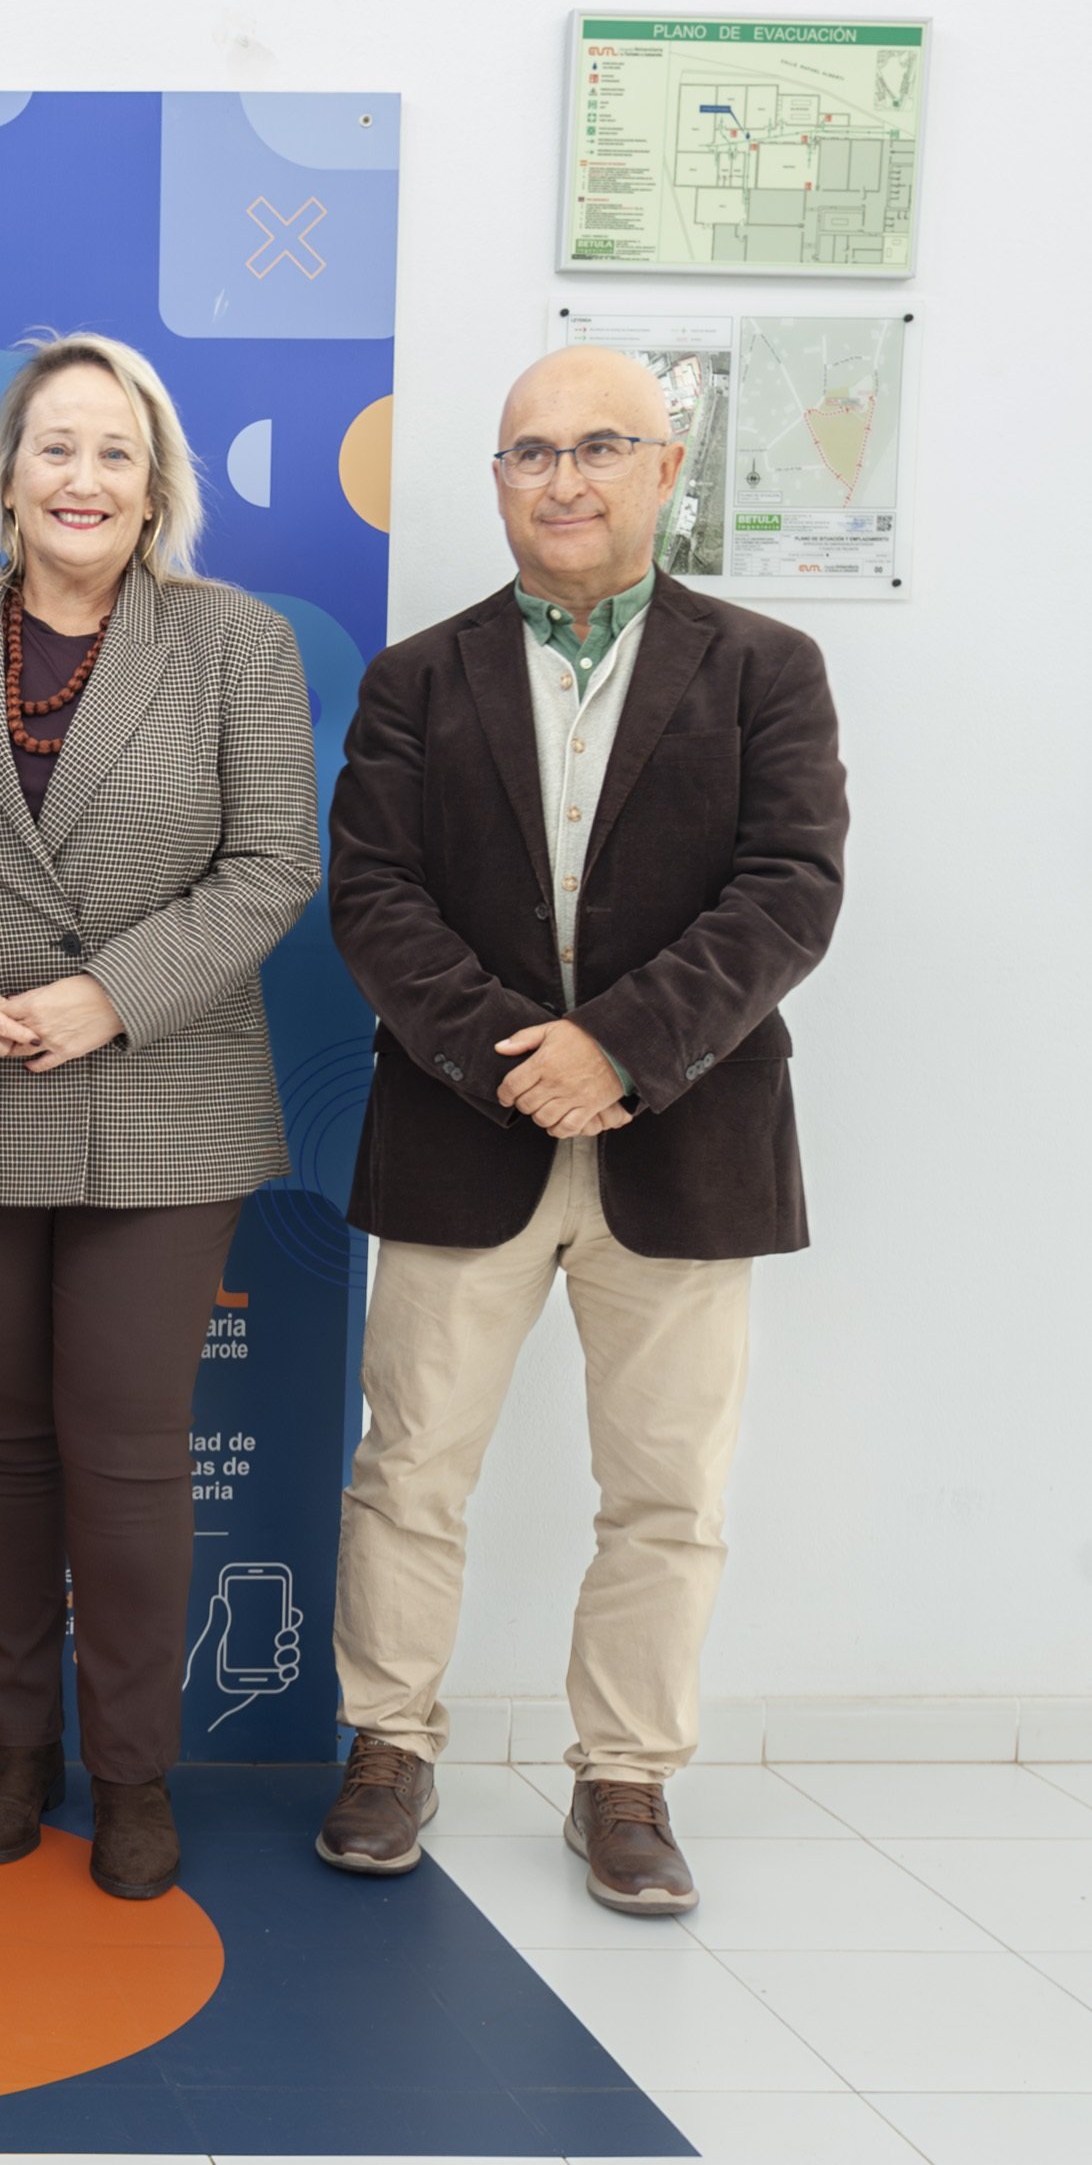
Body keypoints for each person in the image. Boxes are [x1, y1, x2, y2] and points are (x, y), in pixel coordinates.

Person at [318, 345, 846, 1916]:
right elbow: (373, 897)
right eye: (528, 452)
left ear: (665, 470)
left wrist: (622, 1048)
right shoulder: (418, 676)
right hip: (459, 1136)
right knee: (409, 1468)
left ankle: (625, 1781)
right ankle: (387, 1746)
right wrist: (516, 1062)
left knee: (667, 1491)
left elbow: (791, 890)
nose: (562, 478)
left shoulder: (765, 667)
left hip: (686, 1138)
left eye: (598, 446)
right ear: (496, 481)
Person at [0, 333, 318, 1902]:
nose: (82, 479)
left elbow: (271, 867)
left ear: (157, 483)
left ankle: (132, 1774)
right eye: (54, 448)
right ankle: (11, 1755)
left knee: (124, 1452)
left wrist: (111, 993)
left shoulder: (235, 642)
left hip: (163, 1087)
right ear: (6, 478)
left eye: (114, 452)